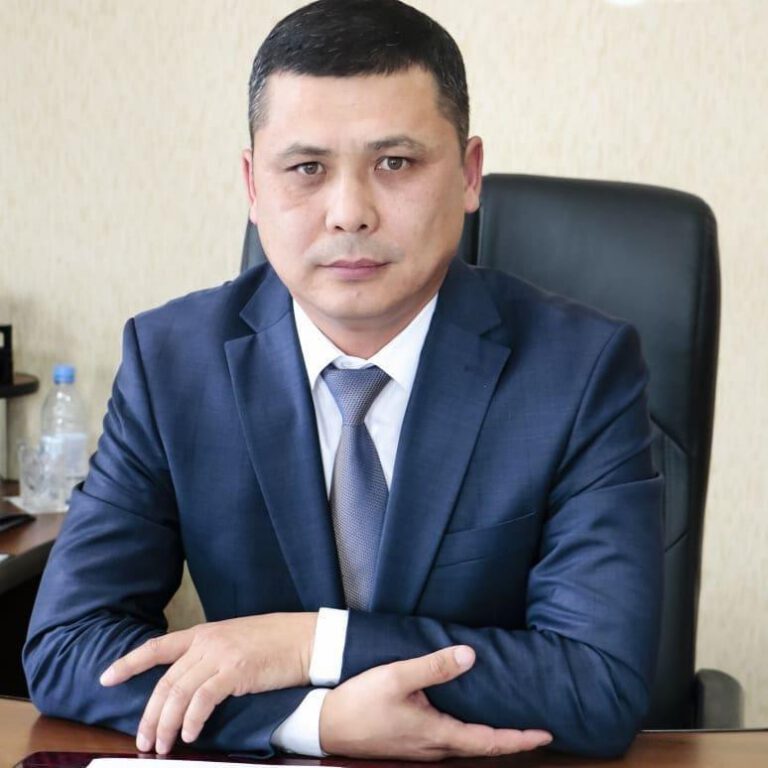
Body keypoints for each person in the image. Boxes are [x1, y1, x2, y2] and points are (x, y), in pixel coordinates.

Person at [24, 0, 663, 761]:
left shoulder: (581, 370)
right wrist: (311, 721)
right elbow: (68, 646)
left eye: (395, 163)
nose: (350, 213)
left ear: (468, 175)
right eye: (307, 169)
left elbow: (596, 684)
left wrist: (314, 644)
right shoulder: (172, 363)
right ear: (252, 186)